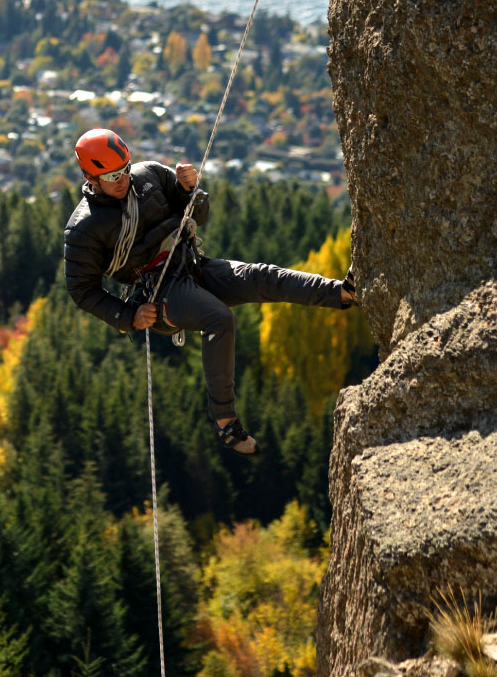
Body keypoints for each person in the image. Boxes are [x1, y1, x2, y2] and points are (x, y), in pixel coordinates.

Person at [62, 128, 356, 456]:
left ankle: (341, 293)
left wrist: (191, 190)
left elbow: (198, 217)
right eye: (113, 175)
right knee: (219, 318)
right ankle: (224, 420)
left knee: (263, 277)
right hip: (158, 294)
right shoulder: (84, 228)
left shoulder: (150, 176)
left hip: (191, 265)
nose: (124, 180)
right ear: (89, 176)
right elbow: (81, 290)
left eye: (126, 169)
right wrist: (129, 316)